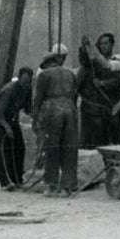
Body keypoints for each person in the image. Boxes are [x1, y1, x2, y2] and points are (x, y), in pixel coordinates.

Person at [32, 44, 79, 196]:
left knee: (52, 147)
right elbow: (75, 95)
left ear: (47, 63)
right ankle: (67, 186)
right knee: (69, 148)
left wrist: (36, 120)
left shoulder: (44, 75)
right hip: (70, 109)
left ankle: (52, 185)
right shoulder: (70, 74)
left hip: (52, 110)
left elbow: (38, 99)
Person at [77, 33, 120, 147]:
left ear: (112, 45)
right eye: (101, 44)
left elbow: (117, 80)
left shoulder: (118, 62)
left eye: (106, 43)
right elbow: (85, 61)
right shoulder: (94, 62)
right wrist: (84, 47)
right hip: (98, 105)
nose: (104, 46)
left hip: (112, 103)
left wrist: (102, 83)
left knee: (115, 133)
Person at [0, 67, 32, 190]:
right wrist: (7, 127)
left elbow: (28, 108)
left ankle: (17, 178)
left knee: (20, 148)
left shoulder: (27, 89)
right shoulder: (9, 90)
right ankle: (5, 182)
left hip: (13, 119)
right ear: (19, 78)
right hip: (1, 121)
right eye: (24, 81)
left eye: (29, 82)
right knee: (4, 151)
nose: (26, 84)